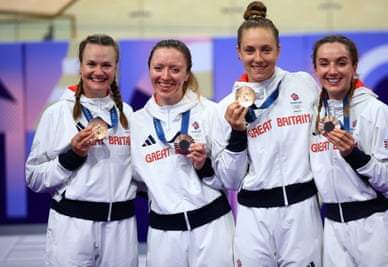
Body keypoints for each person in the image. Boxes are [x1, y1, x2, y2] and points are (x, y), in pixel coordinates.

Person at [214, 1, 323, 266]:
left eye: (266, 49)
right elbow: (229, 179)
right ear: (238, 52)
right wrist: (238, 134)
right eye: (250, 50)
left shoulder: (304, 84)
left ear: (278, 50)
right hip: (253, 217)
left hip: (302, 212)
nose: (258, 58)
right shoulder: (226, 108)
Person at [25, 34, 139, 267]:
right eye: (91, 64)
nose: (99, 71)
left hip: (121, 229)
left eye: (106, 65)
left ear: (116, 67)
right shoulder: (56, 114)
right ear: (80, 66)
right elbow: (33, 177)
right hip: (72, 228)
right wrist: (71, 157)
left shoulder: (128, 114)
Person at [130, 39, 238, 267]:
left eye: (175, 69)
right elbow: (135, 179)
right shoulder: (136, 122)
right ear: (149, 69)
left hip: (212, 228)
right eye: (158, 68)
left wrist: (205, 165)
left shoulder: (210, 112)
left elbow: (230, 178)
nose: (165, 76)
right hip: (164, 235)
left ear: (187, 73)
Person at [310, 34, 388, 266]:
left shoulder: (377, 112)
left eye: (341, 62)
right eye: (324, 63)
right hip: (333, 227)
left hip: (376, 225)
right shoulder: (312, 114)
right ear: (315, 69)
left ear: (355, 66)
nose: (332, 71)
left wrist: (354, 155)